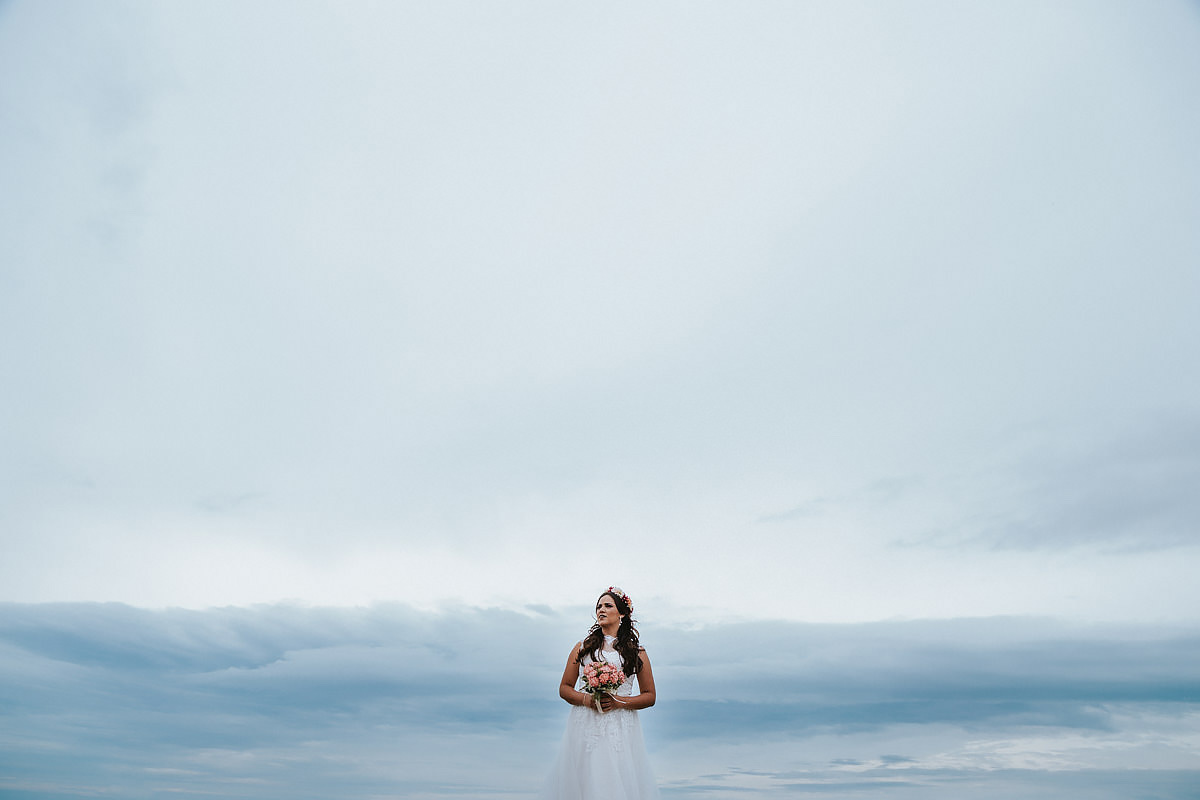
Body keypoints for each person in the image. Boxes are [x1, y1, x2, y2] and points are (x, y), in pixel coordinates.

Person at [538, 586, 659, 800]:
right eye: (598, 606)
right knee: (585, 779)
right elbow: (564, 688)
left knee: (615, 779)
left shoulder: (637, 652)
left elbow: (650, 696)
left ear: (621, 613)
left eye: (607, 605)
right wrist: (587, 700)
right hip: (586, 723)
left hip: (620, 726)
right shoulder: (582, 648)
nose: (601, 610)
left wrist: (619, 702)